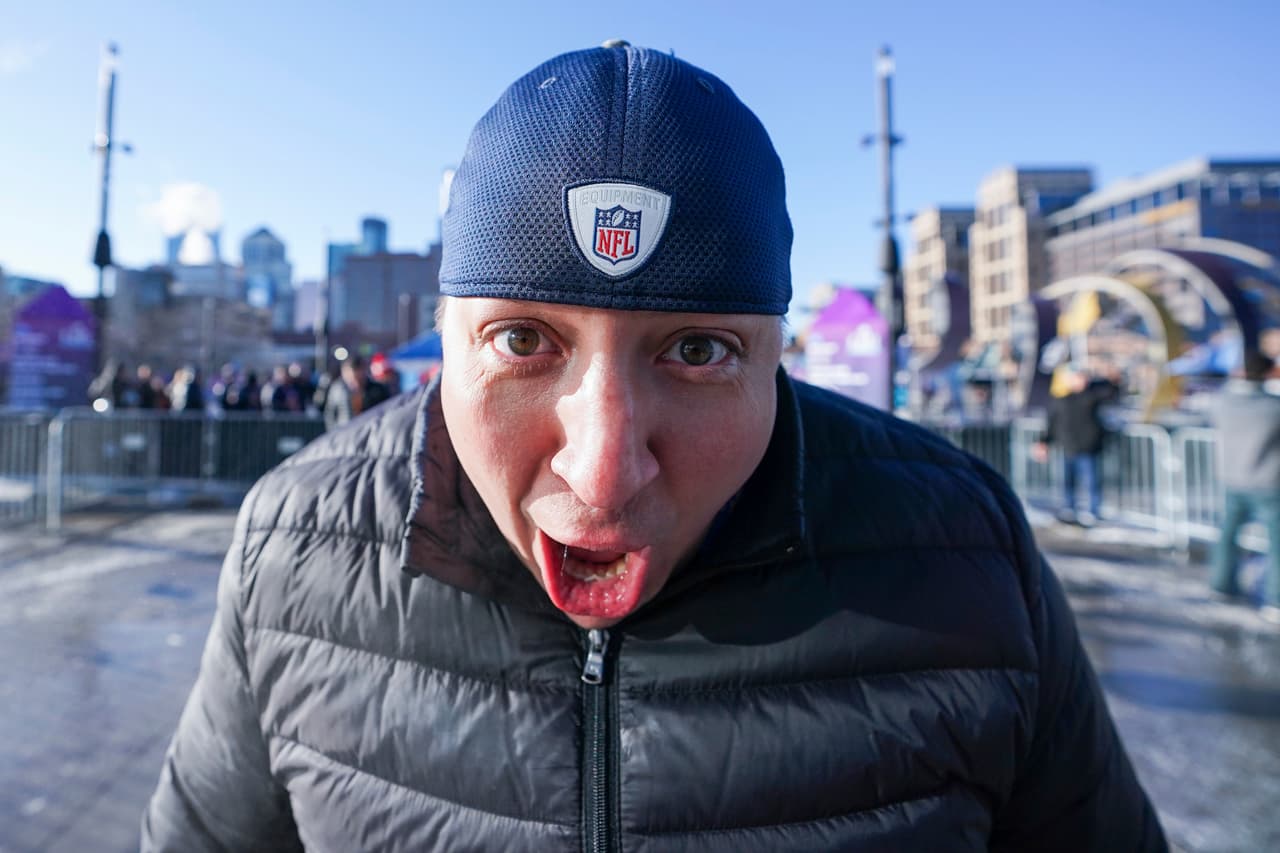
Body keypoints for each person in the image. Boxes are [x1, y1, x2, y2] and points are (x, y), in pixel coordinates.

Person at [142, 43, 1165, 851]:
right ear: (443, 341)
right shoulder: (295, 546)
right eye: (521, 341)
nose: (602, 470)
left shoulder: (965, 556)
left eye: (697, 350)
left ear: (775, 354)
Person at [1209, 350, 1280, 624]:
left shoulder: (1224, 402)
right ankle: (1275, 598)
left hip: (1232, 479)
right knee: (1276, 542)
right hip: (1268, 482)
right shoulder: (1272, 407)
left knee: (1228, 534)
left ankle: (1221, 584)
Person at [1033, 363, 1120, 526]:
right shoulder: (1061, 399)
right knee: (1068, 482)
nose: (1080, 381)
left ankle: (1093, 512)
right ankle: (1069, 509)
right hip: (1068, 448)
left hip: (1088, 448)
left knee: (1091, 482)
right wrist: (1043, 442)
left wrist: (1111, 378)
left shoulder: (1092, 395)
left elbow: (1110, 392)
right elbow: (1052, 423)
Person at [322, 354, 390, 429]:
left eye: (357, 376)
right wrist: (334, 431)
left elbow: (386, 412)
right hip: (345, 432)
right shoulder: (338, 389)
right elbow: (330, 414)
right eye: (348, 375)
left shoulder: (378, 390)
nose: (354, 381)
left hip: (371, 430)